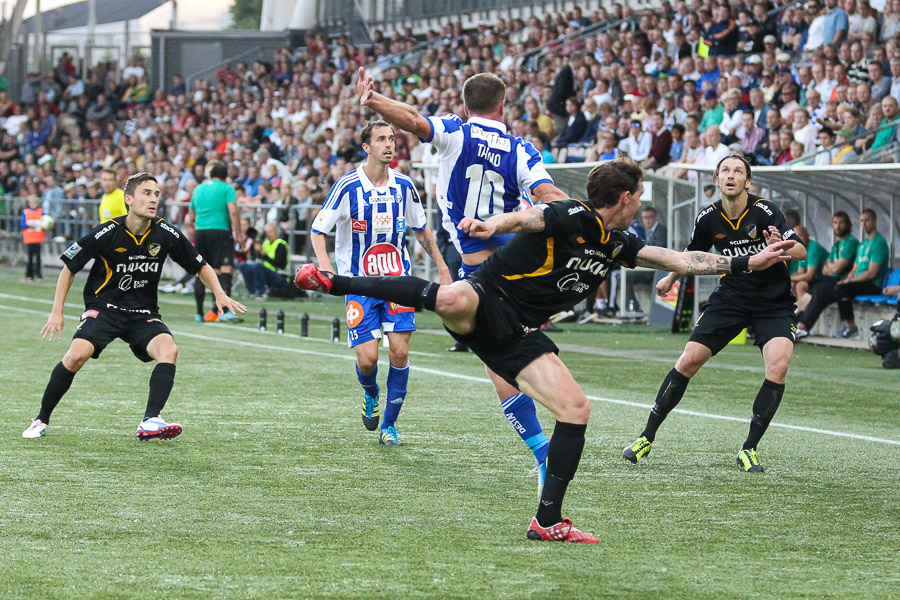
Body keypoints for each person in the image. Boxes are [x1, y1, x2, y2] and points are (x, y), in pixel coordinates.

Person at [293, 159, 795, 542]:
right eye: (639, 196)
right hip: (489, 298)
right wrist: (494, 225)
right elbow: (532, 218)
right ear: (623, 197)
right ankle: (331, 281)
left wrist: (750, 261)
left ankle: (547, 521)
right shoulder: (570, 213)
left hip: (521, 333)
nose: (642, 203)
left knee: (576, 409)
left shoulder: (619, 242)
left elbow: (683, 261)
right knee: (448, 295)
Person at [357, 67, 570, 487]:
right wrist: (591, 218)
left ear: (465, 103)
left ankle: (546, 454)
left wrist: (374, 100)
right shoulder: (521, 148)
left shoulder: (455, 131)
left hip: (481, 273)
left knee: (500, 364)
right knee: (518, 348)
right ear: (503, 105)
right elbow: (548, 198)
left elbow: (415, 122)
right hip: (521, 266)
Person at [22, 172, 247, 440]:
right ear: (129, 199)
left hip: (143, 313)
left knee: (169, 349)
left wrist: (220, 293)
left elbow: (201, 265)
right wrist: (57, 310)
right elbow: (69, 268)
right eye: (146, 193)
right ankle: (40, 420)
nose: (153, 200)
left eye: (156, 194)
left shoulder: (166, 233)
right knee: (75, 356)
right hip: (104, 307)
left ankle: (151, 420)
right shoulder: (108, 232)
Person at [623, 155, 806, 473]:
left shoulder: (765, 211)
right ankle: (646, 437)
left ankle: (749, 449)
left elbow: (801, 250)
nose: (731, 175)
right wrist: (670, 278)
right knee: (688, 360)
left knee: (778, 365)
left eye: (738, 171)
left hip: (773, 304)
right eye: (725, 171)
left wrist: (781, 248)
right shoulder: (708, 217)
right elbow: (689, 255)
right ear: (716, 179)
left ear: (748, 181)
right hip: (731, 299)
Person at [310, 120, 451, 445]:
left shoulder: (404, 186)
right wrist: (327, 269)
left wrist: (442, 269)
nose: (389, 144)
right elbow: (319, 231)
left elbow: (421, 230)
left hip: (398, 283)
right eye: (381, 139)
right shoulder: (347, 187)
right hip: (358, 285)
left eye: (391, 138)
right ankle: (371, 393)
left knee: (399, 352)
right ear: (366, 147)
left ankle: (389, 426)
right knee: (368, 359)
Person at [797, 209, 889, 338]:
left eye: (867, 220)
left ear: (875, 221)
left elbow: (871, 273)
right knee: (821, 292)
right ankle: (802, 326)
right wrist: (848, 278)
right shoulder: (863, 244)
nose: (864, 224)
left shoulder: (879, 242)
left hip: (872, 284)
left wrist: (849, 281)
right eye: (862, 221)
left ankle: (851, 327)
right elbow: (854, 269)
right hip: (858, 282)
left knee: (840, 288)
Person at [188, 160, 245, 323]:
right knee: (224, 270)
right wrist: (239, 235)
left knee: (202, 270)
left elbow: (190, 216)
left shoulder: (198, 189)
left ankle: (199, 313)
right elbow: (233, 212)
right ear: (225, 176)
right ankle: (224, 311)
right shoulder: (227, 188)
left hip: (201, 232)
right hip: (220, 230)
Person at [238, 221, 292, 299]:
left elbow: (279, 264)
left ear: (276, 232)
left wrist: (263, 254)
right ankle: (251, 291)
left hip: (279, 275)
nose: (268, 234)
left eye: (271, 232)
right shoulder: (265, 243)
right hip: (265, 273)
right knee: (244, 265)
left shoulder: (281, 244)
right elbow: (255, 259)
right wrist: (255, 248)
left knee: (258, 266)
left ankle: (261, 292)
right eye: (267, 232)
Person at [21, 195, 45, 280]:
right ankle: (29, 274)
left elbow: (46, 222)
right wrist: (28, 225)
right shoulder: (26, 212)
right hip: (29, 239)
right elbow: (22, 224)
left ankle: (38, 274)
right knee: (30, 258)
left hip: (38, 238)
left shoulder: (41, 212)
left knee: (38, 258)